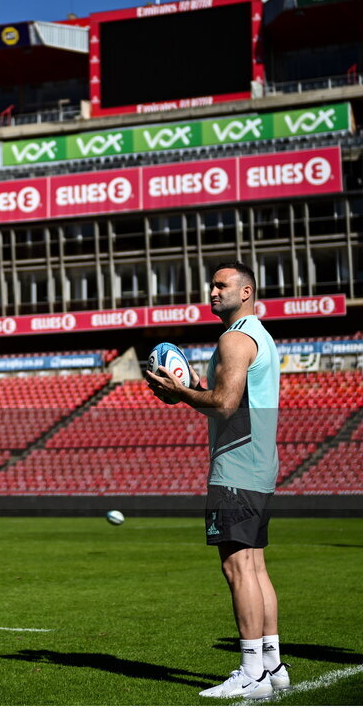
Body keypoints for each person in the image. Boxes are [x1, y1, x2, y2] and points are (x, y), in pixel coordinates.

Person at [145, 261, 290, 700]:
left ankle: (251, 672)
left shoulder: (235, 338)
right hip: (260, 465)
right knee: (256, 566)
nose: (212, 291)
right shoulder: (260, 334)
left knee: (237, 567)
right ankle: (272, 663)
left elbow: (225, 403)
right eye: (211, 284)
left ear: (245, 292)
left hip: (237, 466)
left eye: (221, 285)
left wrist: (179, 392)